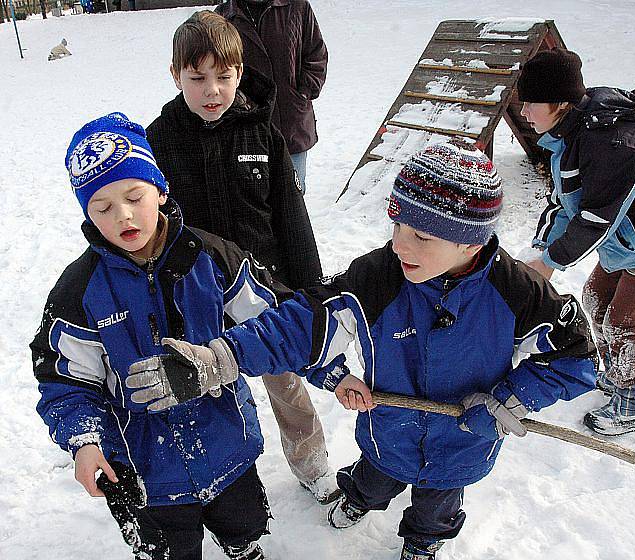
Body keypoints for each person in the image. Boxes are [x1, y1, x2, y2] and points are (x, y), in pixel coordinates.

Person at [127, 141, 598, 560]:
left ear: (470, 241)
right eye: (397, 226)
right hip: (386, 432)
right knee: (372, 481)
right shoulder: (379, 277)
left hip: (464, 443)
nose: (399, 245)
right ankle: (356, 498)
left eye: (422, 236)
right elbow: (301, 328)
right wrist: (221, 359)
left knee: (436, 509)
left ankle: (421, 543)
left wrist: (508, 401)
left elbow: (577, 357)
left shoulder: (519, 293)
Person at [31, 113, 365, 560]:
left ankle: (242, 546)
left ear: (160, 190)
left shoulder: (211, 258)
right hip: (144, 466)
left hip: (226, 443)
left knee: (242, 519)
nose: (123, 215)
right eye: (103, 207)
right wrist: (85, 440)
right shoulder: (79, 292)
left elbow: (279, 321)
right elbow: (66, 381)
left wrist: (333, 371)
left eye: (134, 196)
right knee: (171, 548)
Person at [146, 10, 338, 504]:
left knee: (286, 382)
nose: (213, 90)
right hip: (196, 295)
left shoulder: (262, 133)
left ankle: (311, 462)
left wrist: (309, 287)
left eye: (224, 76)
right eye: (197, 78)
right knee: (209, 386)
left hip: (259, 288)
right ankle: (222, 478)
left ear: (239, 71)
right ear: (175, 75)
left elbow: (290, 216)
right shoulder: (159, 140)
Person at [517, 48, 635, 435]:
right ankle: (624, 370)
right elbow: (565, 203)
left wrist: (551, 261)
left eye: (530, 102)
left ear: (560, 103)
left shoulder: (612, 142)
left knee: (623, 321)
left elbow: (596, 217)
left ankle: (632, 397)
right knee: (595, 300)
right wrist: (541, 250)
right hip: (627, 239)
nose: (523, 111)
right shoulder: (570, 133)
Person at [215, 0, 328, 193]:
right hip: (247, 126)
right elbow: (216, 68)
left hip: (292, 123)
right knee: (254, 196)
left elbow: (316, 55)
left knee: (293, 194)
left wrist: (302, 92)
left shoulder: (297, 6)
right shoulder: (225, 15)